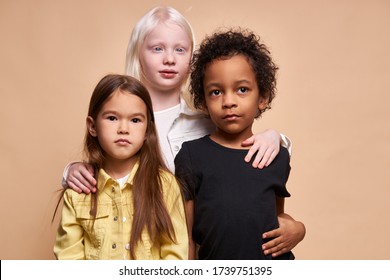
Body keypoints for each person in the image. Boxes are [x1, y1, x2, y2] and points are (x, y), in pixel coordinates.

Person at [62, 6, 305, 257]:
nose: (169, 59)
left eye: (180, 50)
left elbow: (244, 157)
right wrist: (71, 170)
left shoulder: (208, 119)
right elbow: (108, 170)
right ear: (137, 53)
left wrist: (276, 137)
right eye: (157, 48)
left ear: (192, 58)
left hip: (191, 252)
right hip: (133, 248)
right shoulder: (123, 121)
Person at [175, 28, 297, 259]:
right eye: (216, 92)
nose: (228, 102)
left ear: (263, 98)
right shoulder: (191, 156)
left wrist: (297, 230)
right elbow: (186, 236)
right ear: (203, 100)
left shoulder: (277, 155)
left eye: (242, 90)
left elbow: (278, 220)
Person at [54, 74, 188, 260]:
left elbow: (174, 253)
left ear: (147, 130)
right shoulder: (78, 190)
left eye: (135, 120)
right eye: (112, 118)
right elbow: (68, 258)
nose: (123, 129)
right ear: (92, 126)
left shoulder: (165, 184)